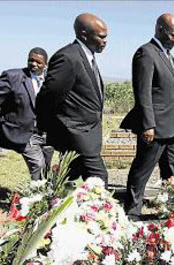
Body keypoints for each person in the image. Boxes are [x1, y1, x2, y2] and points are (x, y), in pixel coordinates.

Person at [120, 13, 174, 220]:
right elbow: (143, 92)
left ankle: (171, 209)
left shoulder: (168, 56)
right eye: (173, 35)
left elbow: (171, 90)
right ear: (160, 29)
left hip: (172, 128)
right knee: (142, 171)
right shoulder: (146, 53)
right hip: (154, 128)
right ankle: (132, 213)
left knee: (171, 171)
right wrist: (148, 125)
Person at [36, 13, 108, 185]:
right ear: (84, 34)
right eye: (101, 36)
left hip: (87, 132)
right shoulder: (68, 57)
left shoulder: (87, 57)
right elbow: (49, 96)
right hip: (75, 132)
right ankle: (101, 211)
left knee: (67, 175)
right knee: (99, 180)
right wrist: (50, 126)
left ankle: (47, 202)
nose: (105, 41)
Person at [0, 48, 54, 180]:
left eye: (38, 62)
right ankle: (36, 198)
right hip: (24, 131)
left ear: (45, 64)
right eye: (31, 60)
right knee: (38, 165)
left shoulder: (51, 80)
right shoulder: (13, 77)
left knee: (46, 167)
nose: (33, 64)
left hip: (45, 133)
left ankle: (45, 196)